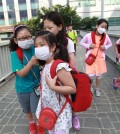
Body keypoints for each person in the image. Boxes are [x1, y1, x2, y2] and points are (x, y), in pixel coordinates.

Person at [43, 11, 80, 130]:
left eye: (50, 27)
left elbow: (72, 59)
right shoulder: (44, 41)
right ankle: (54, 116)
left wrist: (72, 73)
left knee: (70, 96)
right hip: (52, 75)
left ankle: (74, 115)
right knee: (54, 96)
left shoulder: (67, 41)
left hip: (65, 74)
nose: (47, 30)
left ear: (59, 27)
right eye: (45, 28)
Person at [35, 30, 76, 134]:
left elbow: (72, 88)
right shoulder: (45, 65)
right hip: (49, 112)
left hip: (60, 113)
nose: (38, 49)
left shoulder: (59, 66)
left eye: (42, 45)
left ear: (52, 47)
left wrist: (53, 87)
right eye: (36, 46)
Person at [9, 25, 40, 134]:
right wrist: (31, 62)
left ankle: (39, 124)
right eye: (22, 38)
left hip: (37, 86)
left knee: (37, 108)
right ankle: (31, 123)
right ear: (16, 40)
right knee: (27, 108)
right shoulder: (14, 54)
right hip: (22, 87)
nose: (26, 40)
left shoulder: (36, 47)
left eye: (28, 37)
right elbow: (21, 73)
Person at [80, 19, 112, 97]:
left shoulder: (106, 36)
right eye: (102, 26)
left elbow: (110, 43)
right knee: (90, 76)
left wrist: (105, 46)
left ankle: (97, 89)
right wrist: (89, 45)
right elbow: (81, 42)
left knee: (99, 75)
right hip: (90, 58)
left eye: (105, 27)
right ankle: (90, 87)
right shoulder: (89, 35)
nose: (103, 29)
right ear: (97, 26)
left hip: (100, 58)